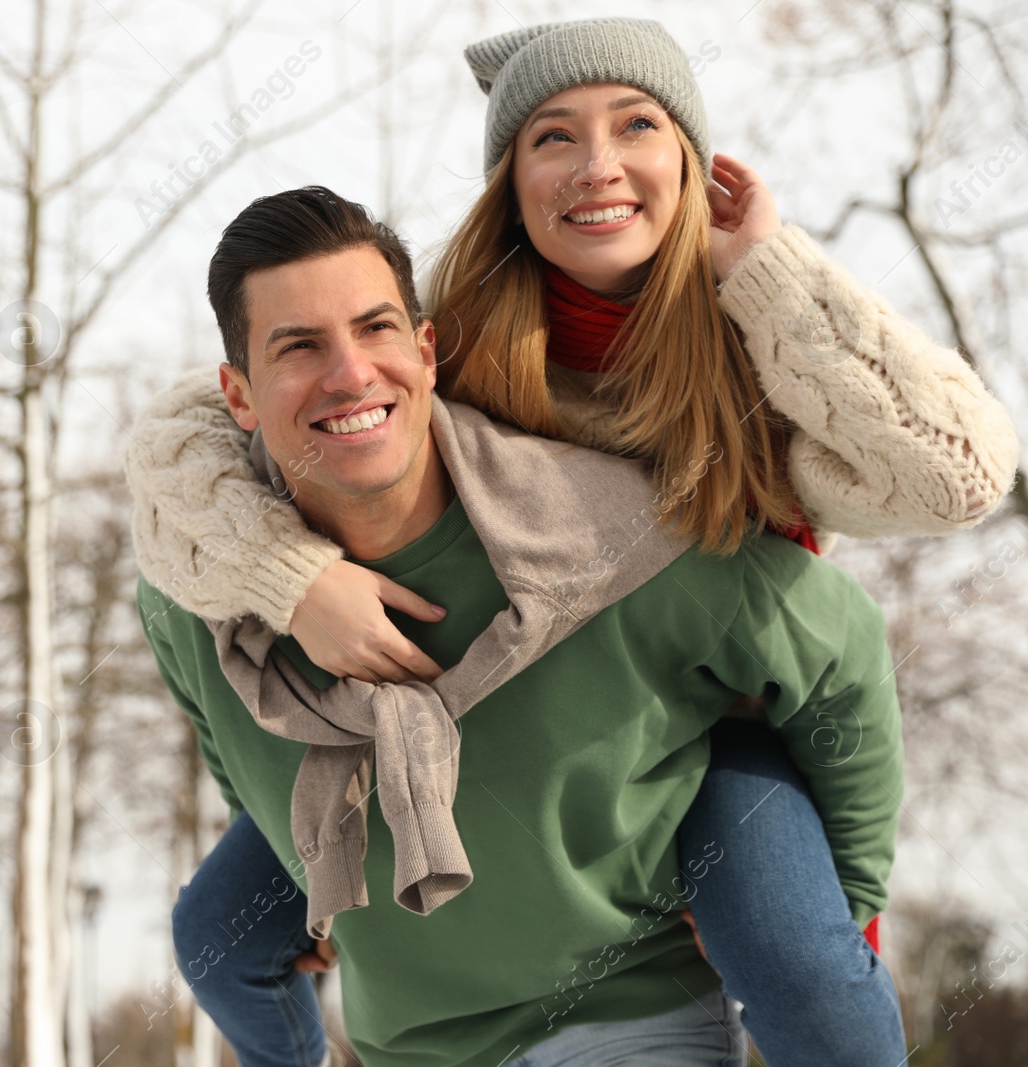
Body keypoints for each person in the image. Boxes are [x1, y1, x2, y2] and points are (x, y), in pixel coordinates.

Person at [128, 17, 1020, 1067]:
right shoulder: (444, 342)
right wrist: (294, 580)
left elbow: (955, 473)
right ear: (508, 182)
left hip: (710, 721)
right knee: (213, 937)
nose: (597, 165)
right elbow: (186, 438)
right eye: (552, 136)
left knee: (806, 970)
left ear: (691, 158)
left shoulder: (756, 361)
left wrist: (770, 268)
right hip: (468, 734)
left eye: (636, 124)